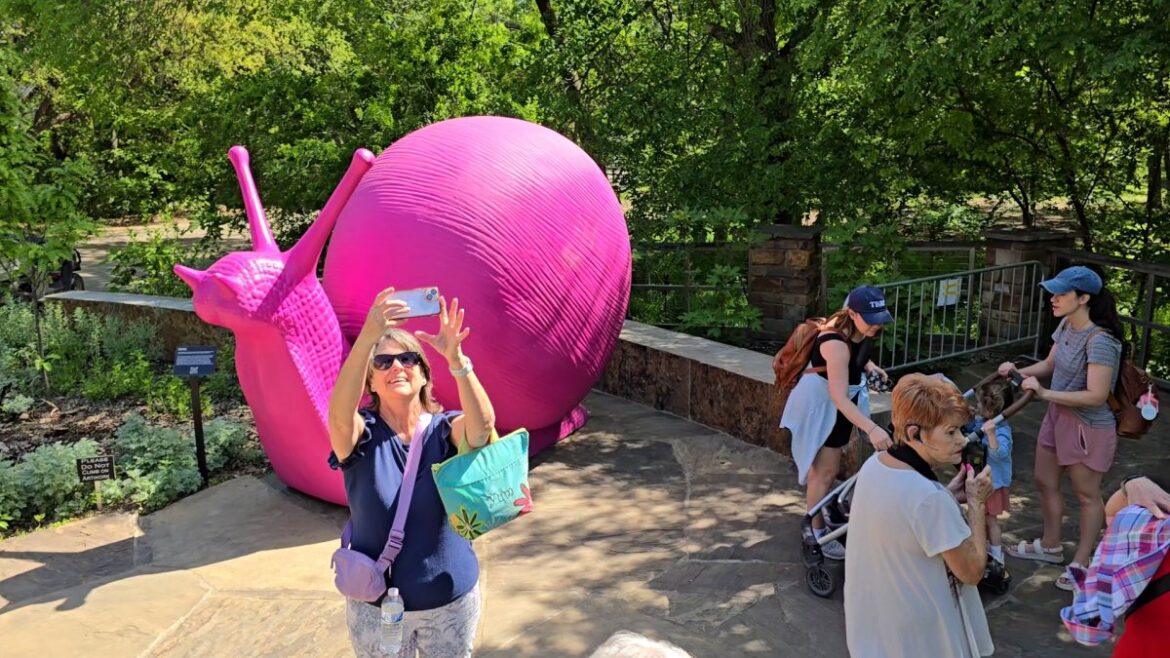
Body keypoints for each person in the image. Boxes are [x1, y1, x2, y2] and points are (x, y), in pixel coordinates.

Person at [327, 288, 496, 657]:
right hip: (376, 610)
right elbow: (338, 414)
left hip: (450, 603)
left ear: (423, 376)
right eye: (383, 363)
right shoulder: (360, 436)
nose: (397, 367)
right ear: (370, 382)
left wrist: (458, 360)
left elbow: (482, 428)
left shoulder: (444, 430)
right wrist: (369, 336)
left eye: (408, 359)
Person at [844, 374, 994, 658]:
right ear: (914, 433)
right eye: (951, 432)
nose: (962, 440)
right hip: (924, 638)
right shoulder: (930, 500)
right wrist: (976, 505)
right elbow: (972, 571)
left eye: (961, 430)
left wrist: (946, 496)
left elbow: (905, 520)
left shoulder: (875, 464)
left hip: (878, 626)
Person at [999, 265, 1124, 590]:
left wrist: (1043, 393)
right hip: (1058, 416)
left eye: (1061, 294)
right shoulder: (1067, 324)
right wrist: (1017, 371)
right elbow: (1050, 364)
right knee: (1044, 481)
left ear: (1084, 298)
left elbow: (1097, 396)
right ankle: (1051, 545)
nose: (1052, 299)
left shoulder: (1101, 341)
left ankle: (1082, 563)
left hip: (1088, 426)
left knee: (1085, 495)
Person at [782, 285, 893, 560]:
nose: (876, 326)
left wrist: (869, 366)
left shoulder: (855, 328)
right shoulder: (834, 343)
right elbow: (839, 397)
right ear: (852, 313)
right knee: (824, 472)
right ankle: (816, 533)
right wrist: (871, 427)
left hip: (836, 407)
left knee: (826, 470)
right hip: (822, 409)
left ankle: (821, 517)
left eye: (880, 320)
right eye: (871, 320)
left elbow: (855, 349)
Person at [1061, 475, 1170, 657]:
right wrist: (1132, 484)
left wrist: (1132, 485)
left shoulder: (1156, 531)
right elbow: (1113, 514)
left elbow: (1113, 514)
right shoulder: (1157, 527)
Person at [967, 379, 1015, 568]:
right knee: (980, 516)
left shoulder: (1001, 431)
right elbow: (973, 431)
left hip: (993, 484)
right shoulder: (985, 422)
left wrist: (992, 435)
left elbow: (1000, 454)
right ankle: (984, 547)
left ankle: (997, 555)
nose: (976, 406)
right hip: (983, 479)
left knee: (990, 519)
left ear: (988, 409)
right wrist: (973, 419)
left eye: (979, 404)